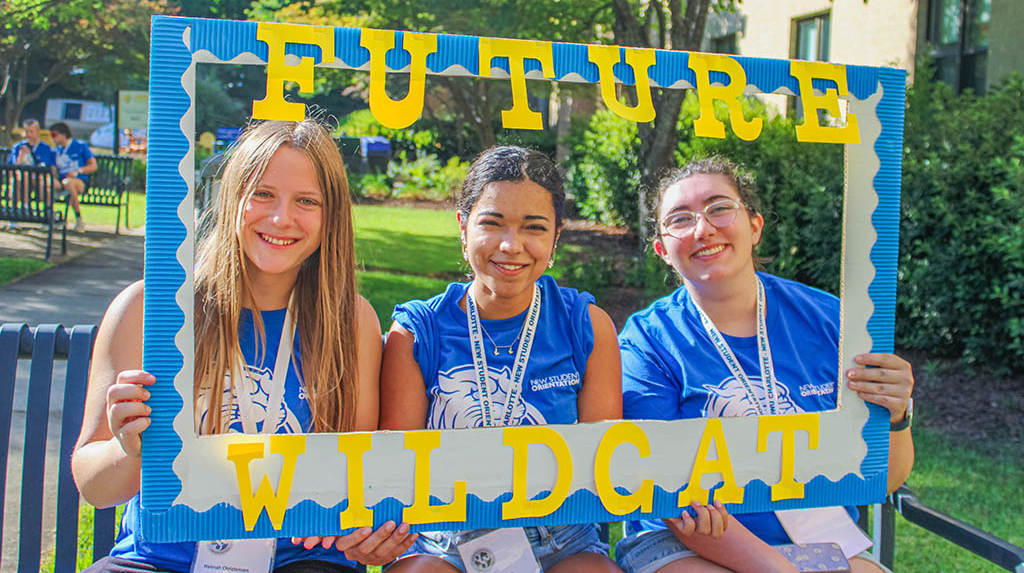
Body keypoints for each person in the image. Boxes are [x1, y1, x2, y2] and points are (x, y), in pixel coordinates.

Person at [72, 119, 417, 573]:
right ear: (232, 196)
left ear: (331, 214)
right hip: (162, 556)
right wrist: (131, 449)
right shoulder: (149, 308)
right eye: (263, 194)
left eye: (307, 201)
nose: (280, 218)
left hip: (301, 557)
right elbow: (94, 486)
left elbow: (355, 479)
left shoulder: (350, 321)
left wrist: (366, 530)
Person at [615, 156, 915, 573]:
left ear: (754, 226)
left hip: (818, 538)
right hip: (685, 542)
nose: (703, 229)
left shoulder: (832, 320)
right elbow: (668, 495)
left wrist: (897, 414)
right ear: (663, 250)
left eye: (719, 208)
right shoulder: (645, 343)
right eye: (680, 220)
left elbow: (883, 480)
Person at [379, 146, 630, 573]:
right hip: (444, 537)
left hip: (561, 536)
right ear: (463, 227)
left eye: (534, 228)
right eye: (491, 224)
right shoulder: (418, 331)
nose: (511, 246)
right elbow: (397, 471)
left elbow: (600, 472)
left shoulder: (585, 324)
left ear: (556, 235)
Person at [49, 121, 97, 232]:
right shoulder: (55, 151)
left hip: (79, 181)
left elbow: (93, 166)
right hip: (61, 181)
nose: (52, 138)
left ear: (63, 134)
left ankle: (79, 219)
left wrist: (78, 171)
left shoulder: (80, 146)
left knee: (69, 183)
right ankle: (51, 217)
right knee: (48, 183)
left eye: (54, 135)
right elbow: (53, 169)